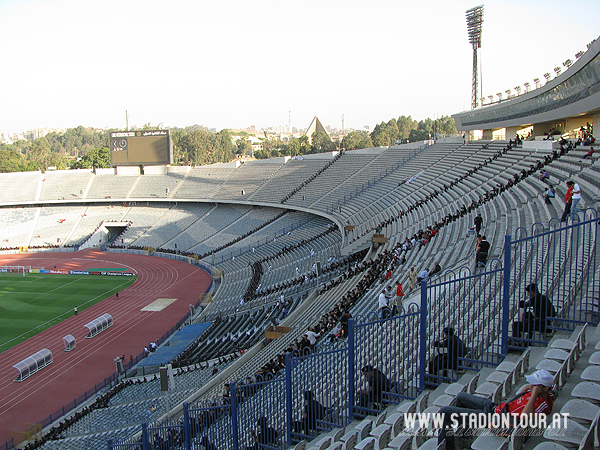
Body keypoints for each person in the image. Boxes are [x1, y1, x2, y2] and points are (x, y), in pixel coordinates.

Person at [437, 369, 556, 450]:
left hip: (495, 419)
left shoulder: (543, 404)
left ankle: (449, 447)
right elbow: (516, 399)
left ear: (544, 389)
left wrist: (534, 393)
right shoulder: (539, 394)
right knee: (461, 397)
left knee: (444, 413)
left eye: (535, 385)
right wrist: (528, 389)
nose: (532, 386)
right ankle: (464, 437)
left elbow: (525, 416)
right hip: (496, 408)